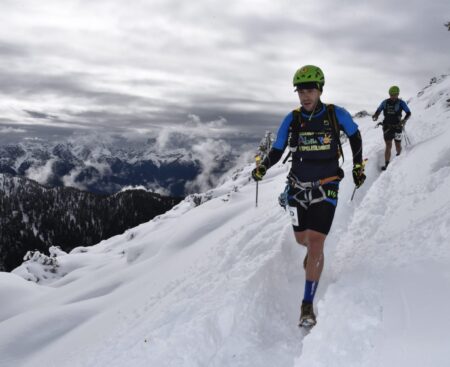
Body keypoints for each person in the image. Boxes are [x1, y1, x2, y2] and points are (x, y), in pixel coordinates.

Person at [251, 65, 365, 327]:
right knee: (302, 239)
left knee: (315, 243)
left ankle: (307, 305)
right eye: (301, 91)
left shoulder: (337, 115)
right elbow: (278, 149)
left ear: (320, 90)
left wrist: (358, 166)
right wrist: (262, 167)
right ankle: (312, 255)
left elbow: (356, 136)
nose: (305, 96)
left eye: (310, 90)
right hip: (297, 189)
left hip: (328, 187)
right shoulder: (292, 119)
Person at [372, 86, 411, 170]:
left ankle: (398, 160)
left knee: (397, 144)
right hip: (387, 127)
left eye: (395, 94)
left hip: (397, 127)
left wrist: (404, 120)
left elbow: (408, 113)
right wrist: (376, 115)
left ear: (398, 94)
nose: (393, 96)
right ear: (389, 94)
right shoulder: (385, 102)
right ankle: (386, 164)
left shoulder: (401, 103)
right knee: (388, 145)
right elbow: (379, 110)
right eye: (391, 94)